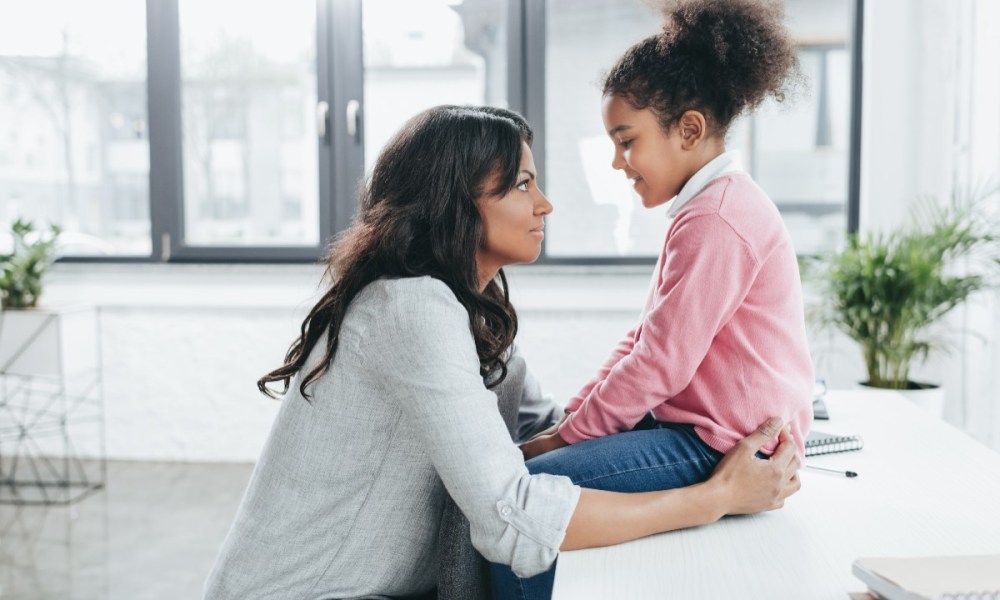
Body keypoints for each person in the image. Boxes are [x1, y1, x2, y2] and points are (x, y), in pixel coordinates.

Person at [203, 104, 800, 600]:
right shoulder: (410, 310)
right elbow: (513, 513)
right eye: (521, 184)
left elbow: (550, 429)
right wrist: (714, 497)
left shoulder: (465, 319)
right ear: (456, 202)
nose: (545, 204)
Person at [502, 0, 814, 596]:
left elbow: (659, 363)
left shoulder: (718, 217)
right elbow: (647, 336)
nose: (618, 162)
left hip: (719, 445)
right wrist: (578, 412)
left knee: (526, 497)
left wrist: (566, 438)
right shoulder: (708, 207)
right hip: (698, 427)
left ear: (689, 129)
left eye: (627, 141)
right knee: (532, 467)